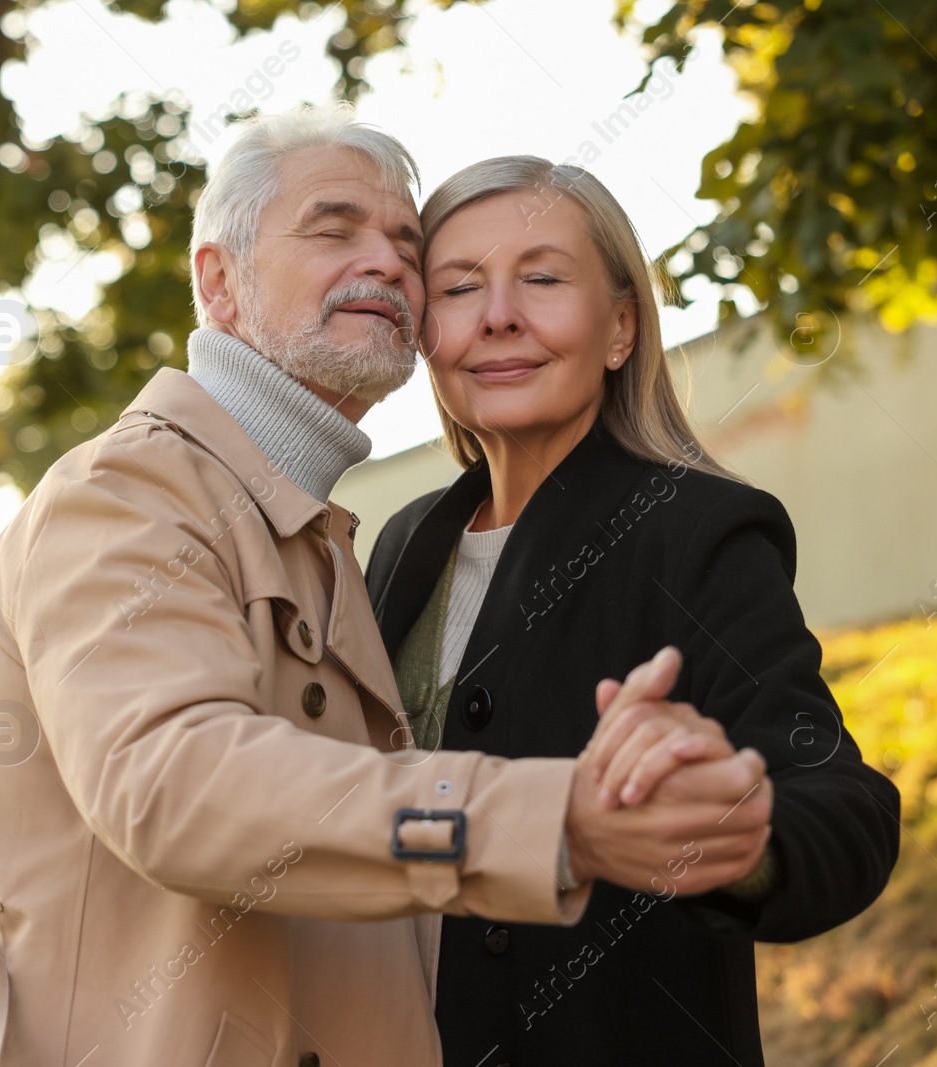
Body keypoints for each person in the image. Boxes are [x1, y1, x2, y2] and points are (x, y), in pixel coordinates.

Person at [0, 109, 769, 1067]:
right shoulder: (127, 493)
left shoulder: (318, 536)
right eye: (333, 227)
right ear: (218, 283)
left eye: (406, 243)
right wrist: (551, 818)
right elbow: (175, 787)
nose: (389, 263)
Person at [365, 155, 902, 1066]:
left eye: (541, 278)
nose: (499, 313)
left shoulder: (695, 531)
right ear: (428, 334)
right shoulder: (400, 542)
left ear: (620, 326)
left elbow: (845, 809)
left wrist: (739, 828)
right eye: (460, 287)